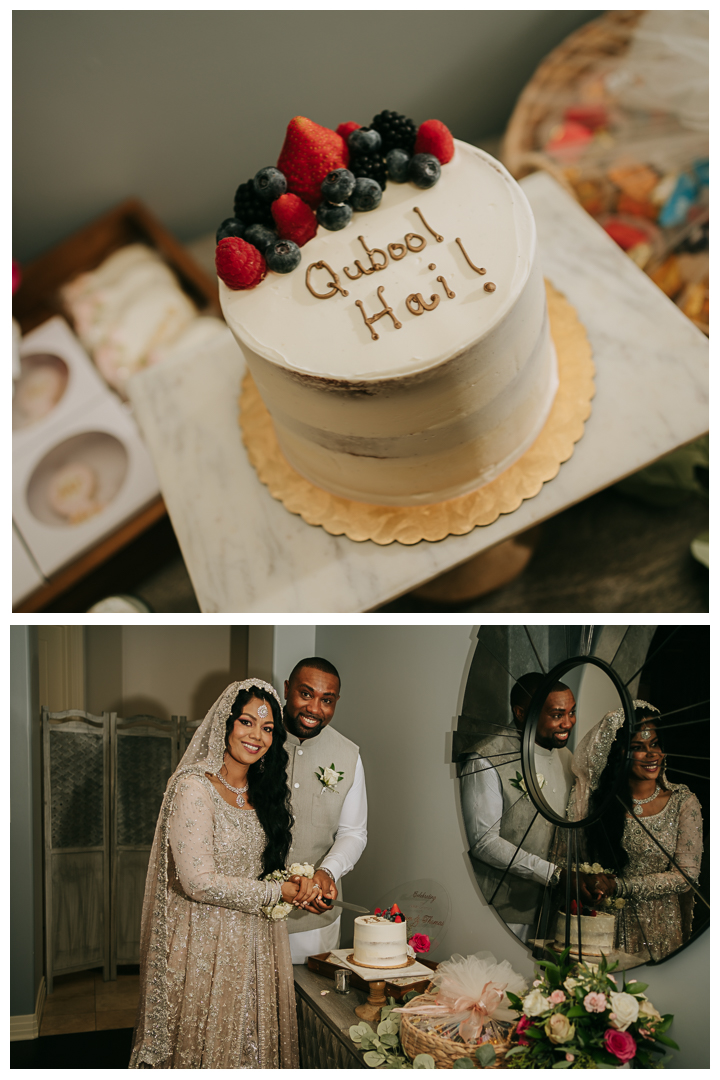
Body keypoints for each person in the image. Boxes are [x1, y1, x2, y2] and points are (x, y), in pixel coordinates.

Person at [129, 678, 313, 1069]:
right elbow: (198, 882)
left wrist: (297, 888)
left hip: (259, 945)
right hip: (204, 942)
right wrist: (276, 894)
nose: (256, 735)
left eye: (267, 728)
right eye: (247, 722)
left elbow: (262, 869)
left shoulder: (263, 793)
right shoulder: (194, 787)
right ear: (225, 724)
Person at [567, 701, 703, 961]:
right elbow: (563, 859)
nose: (651, 754)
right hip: (601, 924)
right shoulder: (591, 802)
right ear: (618, 753)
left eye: (655, 744)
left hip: (660, 926)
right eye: (638, 748)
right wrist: (590, 882)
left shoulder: (683, 802)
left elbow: (686, 875)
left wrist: (621, 886)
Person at [459, 672, 576, 943]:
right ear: (521, 713)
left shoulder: (566, 757)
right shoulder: (487, 758)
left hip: (552, 907)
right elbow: (483, 842)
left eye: (571, 712)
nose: (567, 723)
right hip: (501, 908)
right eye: (558, 714)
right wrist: (552, 874)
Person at [280, 657, 368, 965]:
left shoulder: (349, 755)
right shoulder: (256, 739)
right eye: (306, 694)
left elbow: (353, 832)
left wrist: (327, 872)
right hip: (253, 910)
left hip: (313, 921)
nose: (315, 709)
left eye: (326, 700)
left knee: (308, 1005)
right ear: (288, 689)